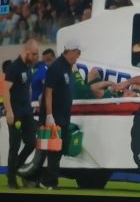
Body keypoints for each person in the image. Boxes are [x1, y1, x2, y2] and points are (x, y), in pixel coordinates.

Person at [38, 39, 81, 190]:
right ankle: (50, 181)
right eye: (77, 52)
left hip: (62, 116)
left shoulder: (68, 67)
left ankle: (43, 179)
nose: (79, 56)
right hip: (54, 116)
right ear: (70, 51)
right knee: (53, 150)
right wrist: (49, 116)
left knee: (58, 149)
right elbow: (48, 92)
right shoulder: (56, 67)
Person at [3, 39, 39, 189]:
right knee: (15, 145)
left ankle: (14, 168)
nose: (36, 57)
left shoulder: (28, 67)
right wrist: (9, 111)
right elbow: (5, 90)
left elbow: (28, 87)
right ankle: (11, 180)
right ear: (26, 51)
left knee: (32, 143)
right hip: (15, 113)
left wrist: (30, 104)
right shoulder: (14, 67)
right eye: (34, 54)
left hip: (26, 112)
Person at [73, 66, 140, 99]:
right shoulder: (135, 96)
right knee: (94, 71)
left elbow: (93, 89)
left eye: (127, 93)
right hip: (97, 91)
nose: (126, 90)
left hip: (87, 97)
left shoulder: (112, 98)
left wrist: (110, 84)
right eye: (131, 92)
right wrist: (126, 83)